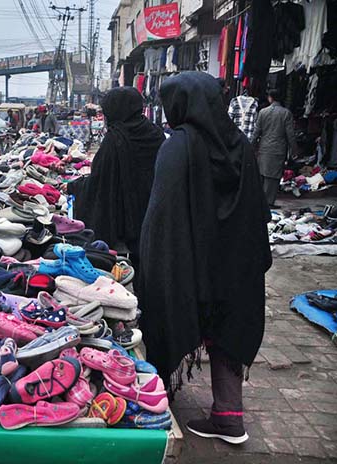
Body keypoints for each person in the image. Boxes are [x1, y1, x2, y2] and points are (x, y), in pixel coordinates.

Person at [138, 72, 271, 445]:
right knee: (227, 332)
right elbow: (257, 210)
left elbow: (160, 216)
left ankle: (154, 403)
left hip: (191, 262)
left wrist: (152, 265)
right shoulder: (240, 144)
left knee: (173, 319)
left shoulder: (178, 146)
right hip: (235, 264)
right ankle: (229, 418)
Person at [64, 87, 165, 276]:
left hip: (125, 218)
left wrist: (73, 186)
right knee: (149, 266)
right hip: (153, 212)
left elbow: (99, 182)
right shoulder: (155, 133)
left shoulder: (115, 138)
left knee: (128, 270)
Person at [250, 89, 296, 207]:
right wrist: (294, 151)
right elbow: (290, 134)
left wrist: (251, 145)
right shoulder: (286, 113)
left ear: (270, 98)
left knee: (263, 175)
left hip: (264, 148)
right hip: (278, 149)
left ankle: (259, 201)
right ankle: (268, 202)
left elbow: (256, 132)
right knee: (273, 177)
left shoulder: (263, 112)